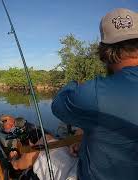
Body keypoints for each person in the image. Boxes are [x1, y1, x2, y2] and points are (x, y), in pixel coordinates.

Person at [51, 8, 138, 180]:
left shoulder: (93, 93)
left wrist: (76, 84)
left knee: (47, 149)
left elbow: (57, 106)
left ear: (105, 51)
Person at [8, 128, 78, 180]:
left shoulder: (45, 140)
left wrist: (14, 160)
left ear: (31, 143)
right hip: (78, 168)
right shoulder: (60, 145)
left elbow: (17, 165)